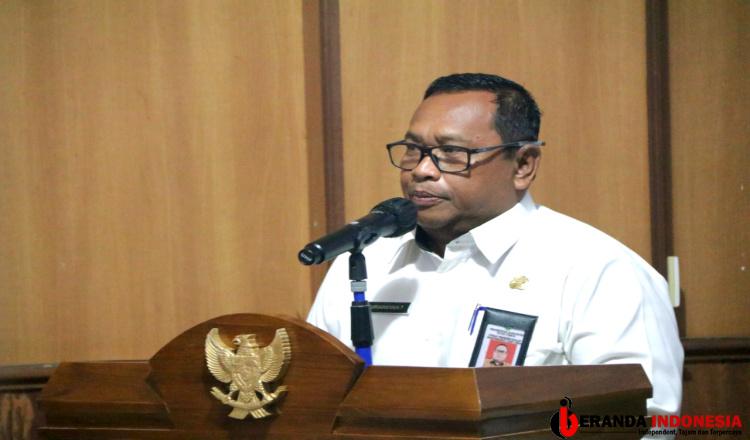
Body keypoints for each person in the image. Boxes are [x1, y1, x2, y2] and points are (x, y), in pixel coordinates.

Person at [307, 73, 683, 417]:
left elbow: (644, 419)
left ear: (523, 165)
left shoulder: (599, 270)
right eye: (413, 150)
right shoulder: (365, 261)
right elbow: (312, 399)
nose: (421, 170)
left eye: (451, 153)